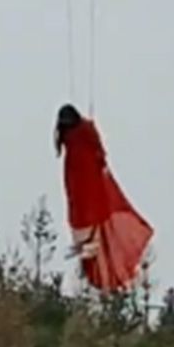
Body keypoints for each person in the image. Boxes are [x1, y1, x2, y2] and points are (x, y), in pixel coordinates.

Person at [55, 103, 153, 292]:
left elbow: (98, 153)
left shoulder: (84, 131)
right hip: (79, 180)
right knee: (82, 214)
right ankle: (90, 250)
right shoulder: (78, 132)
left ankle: (91, 250)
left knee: (86, 214)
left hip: (86, 181)